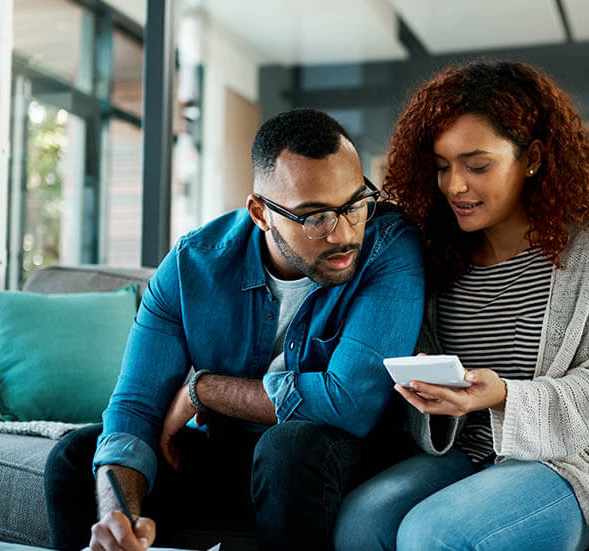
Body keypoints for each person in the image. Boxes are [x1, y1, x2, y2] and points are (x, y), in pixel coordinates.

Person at [44, 108, 425, 551]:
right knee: (75, 458)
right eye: (314, 216)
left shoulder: (390, 248)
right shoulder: (193, 266)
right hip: (233, 457)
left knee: (289, 449)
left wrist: (204, 391)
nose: (342, 234)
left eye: (355, 204)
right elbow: (135, 407)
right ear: (261, 213)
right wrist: (119, 517)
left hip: (336, 460)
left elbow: (350, 402)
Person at [334, 61, 589, 551]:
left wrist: (501, 395)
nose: (454, 185)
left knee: (431, 534)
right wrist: (430, 392)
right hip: (466, 452)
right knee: (360, 521)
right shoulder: (436, 256)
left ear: (534, 158)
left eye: (477, 166)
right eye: (442, 167)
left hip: (566, 462)